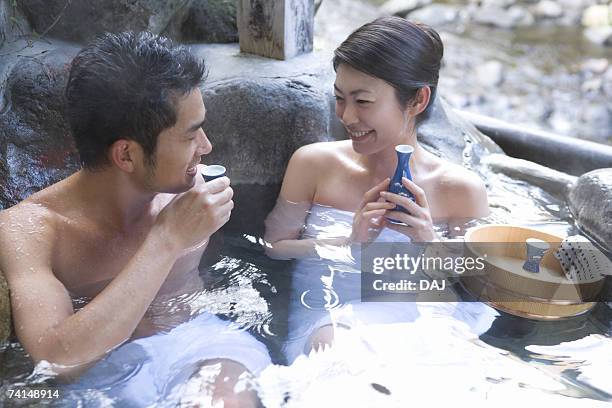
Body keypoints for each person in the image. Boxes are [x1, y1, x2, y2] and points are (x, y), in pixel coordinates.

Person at [0, 32, 269, 406]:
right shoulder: (31, 229)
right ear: (126, 155)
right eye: (191, 136)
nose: (206, 147)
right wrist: (166, 240)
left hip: (198, 340)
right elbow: (55, 359)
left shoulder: (189, 191)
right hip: (99, 377)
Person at [264, 17, 493, 363]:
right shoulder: (313, 165)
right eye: (340, 98)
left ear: (417, 100)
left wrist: (428, 245)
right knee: (339, 355)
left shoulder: (459, 190)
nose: (347, 116)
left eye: (363, 102)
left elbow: (472, 288)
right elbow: (273, 247)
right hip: (324, 322)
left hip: (414, 322)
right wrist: (347, 245)